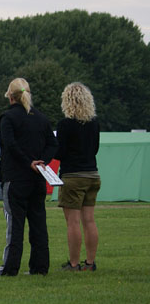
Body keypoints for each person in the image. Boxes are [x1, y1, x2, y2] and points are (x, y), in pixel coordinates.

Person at [0, 78, 58, 277]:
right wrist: (41, 162)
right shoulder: (41, 119)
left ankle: (10, 268)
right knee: (38, 223)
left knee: (15, 225)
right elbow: (53, 144)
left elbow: (10, 145)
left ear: (10, 96)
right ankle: (40, 267)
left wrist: (28, 162)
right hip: (38, 179)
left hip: (15, 178)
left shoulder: (7, 119)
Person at [55, 82, 100, 272]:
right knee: (89, 220)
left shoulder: (65, 125)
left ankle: (73, 263)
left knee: (72, 221)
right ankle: (90, 263)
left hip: (73, 176)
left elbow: (60, 152)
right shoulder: (94, 123)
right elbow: (95, 149)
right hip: (93, 175)